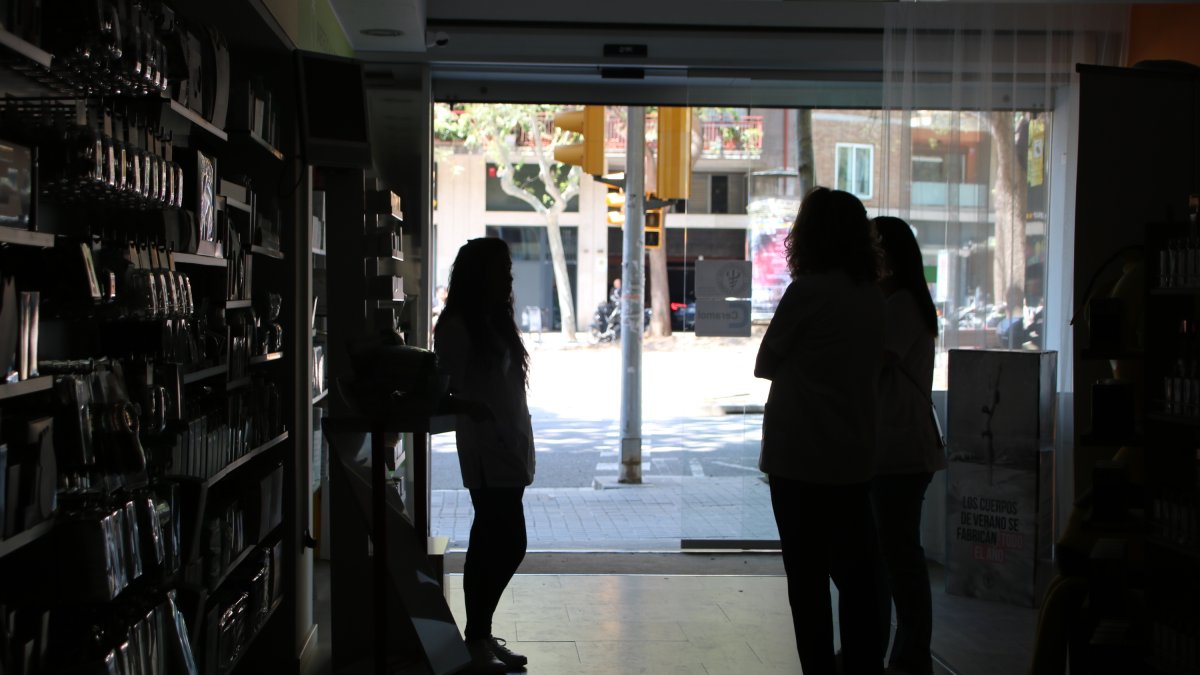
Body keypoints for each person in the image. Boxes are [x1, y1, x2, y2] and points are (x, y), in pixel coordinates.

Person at [754, 187, 886, 675]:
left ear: (807, 236)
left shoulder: (807, 292)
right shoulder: (872, 297)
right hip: (853, 455)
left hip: (799, 455)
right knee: (856, 577)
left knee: (806, 581)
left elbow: (765, 363)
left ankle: (818, 669)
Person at [433, 238, 535, 674]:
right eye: (502, 268)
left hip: (508, 441)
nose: (509, 275)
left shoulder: (494, 320)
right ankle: (476, 637)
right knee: (506, 541)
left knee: (496, 539)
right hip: (484, 445)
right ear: (480, 273)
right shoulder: (457, 325)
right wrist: (471, 408)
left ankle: (480, 635)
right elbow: (441, 388)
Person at [871, 216, 947, 675]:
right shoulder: (902, 302)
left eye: (874, 248)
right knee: (897, 553)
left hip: (899, 446)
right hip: (896, 444)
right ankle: (905, 649)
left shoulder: (900, 306)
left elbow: (872, 361)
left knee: (898, 555)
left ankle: (912, 649)